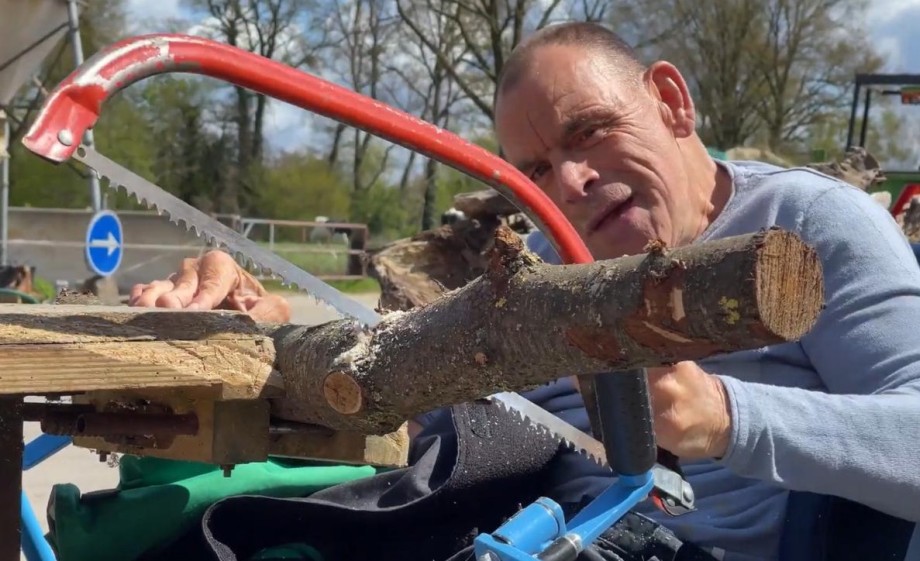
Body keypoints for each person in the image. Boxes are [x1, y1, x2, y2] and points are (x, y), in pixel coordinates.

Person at [129, 22, 920, 561]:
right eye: (536, 170)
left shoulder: (815, 225)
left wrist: (728, 417)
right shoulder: (542, 265)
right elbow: (420, 406)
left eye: (591, 132)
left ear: (673, 102)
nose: (571, 183)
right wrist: (273, 328)